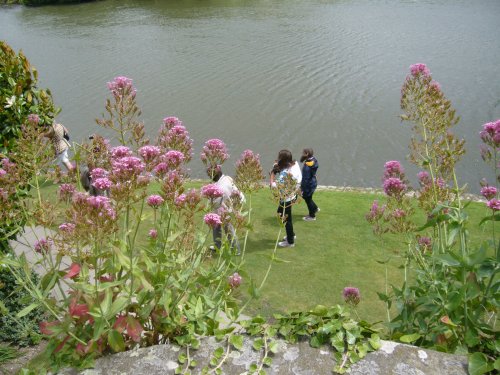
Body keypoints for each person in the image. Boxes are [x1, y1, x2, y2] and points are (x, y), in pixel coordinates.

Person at [208, 165, 243, 255]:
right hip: (219, 208)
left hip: (224, 209)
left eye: (211, 174)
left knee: (228, 229)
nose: (210, 176)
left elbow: (220, 198)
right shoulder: (225, 179)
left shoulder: (223, 183)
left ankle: (236, 249)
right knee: (216, 228)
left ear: (216, 174)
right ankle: (217, 246)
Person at [270, 149, 302, 248]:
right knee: (285, 217)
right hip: (293, 195)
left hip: (286, 199)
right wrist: (278, 166)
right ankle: (291, 235)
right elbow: (285, 170)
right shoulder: (295, 164)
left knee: (285, 218)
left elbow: (274, 185)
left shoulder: (285, 174)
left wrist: (272, 174)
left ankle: (290, 241)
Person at [300, 148, 319, 221]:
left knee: (307, 199)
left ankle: (312, 216)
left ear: (307, 154)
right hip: (313, 182)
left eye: (303, 153)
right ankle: (315, 208)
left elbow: (305, 179)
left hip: (309, 184)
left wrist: (302, 188)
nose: (302, 154)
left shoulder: (307, 166)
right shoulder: (314, 160)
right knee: (309, 198)